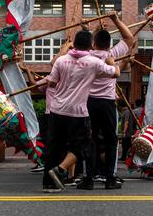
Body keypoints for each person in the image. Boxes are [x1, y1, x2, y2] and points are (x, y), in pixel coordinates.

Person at [41, 30, 120, 193]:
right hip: (77, 112)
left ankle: (49, 184)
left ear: (74, 43)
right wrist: (112, 62)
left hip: (56, 110)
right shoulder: (94, 62)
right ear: (90, 45)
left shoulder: (61, 61)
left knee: (54, 146)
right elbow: (116, 73)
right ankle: (61, 170)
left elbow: (51, 84)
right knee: (83, 146)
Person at [86, 13, 135, 189]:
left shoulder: (87, 56)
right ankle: (110, 179)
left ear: (94, 43)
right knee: (111, 141)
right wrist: (115, 19)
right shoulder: (111, 54)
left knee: (90, 140)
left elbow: (89, 43)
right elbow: (129, 38)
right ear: (108, 44)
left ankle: (88, 179)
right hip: (107, 103)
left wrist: (90, 30)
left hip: (89, 103)